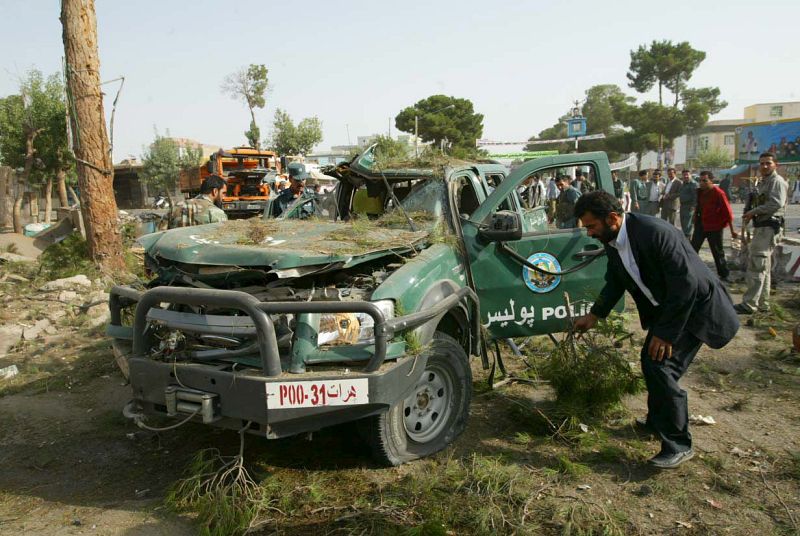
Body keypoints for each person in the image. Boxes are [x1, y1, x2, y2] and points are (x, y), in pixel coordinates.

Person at [572, 191, 739, 469]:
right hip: (671, 309)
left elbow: (686, 285)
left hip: (694, 309)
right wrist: (594, 314)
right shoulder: (614, 240)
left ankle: (678, 445)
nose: (589, 233)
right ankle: (656, 422)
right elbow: (615, 280)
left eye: (592, 226)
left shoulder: (654, 233)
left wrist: (665, 334)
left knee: (661, 366)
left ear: (612, 217)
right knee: (651, 362)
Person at [735, 152, 789, 314]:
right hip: (762, 227)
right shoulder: (765, 182)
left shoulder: (777, 182)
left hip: (768, 227)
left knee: (756, 266)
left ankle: (749, 304)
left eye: (768, 163)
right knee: (762, 268)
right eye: (762, 163)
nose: (764, 166)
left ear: (775, 165)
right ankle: (762, 304)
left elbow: (775, 203)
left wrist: (753, 212)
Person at [692, 171, 737, 281]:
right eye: (700, 181)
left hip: (714, 227)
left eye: (704, 181)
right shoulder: (700, 192)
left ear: (711, 181)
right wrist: (695, 216)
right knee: (693, 248)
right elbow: (698, 206)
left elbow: (728, 213)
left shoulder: (718, 193)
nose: (702, 183)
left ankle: (724, 274)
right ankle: (691, 269)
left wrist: (732, 231)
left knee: (717, 251)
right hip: (701, 225)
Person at [678, 170, 698, 239]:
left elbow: (695, 196)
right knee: (683, 224)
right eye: (684, 175)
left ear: (690, 175)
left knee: (687, 226)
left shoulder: (693, 184)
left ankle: (687, 242)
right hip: (683, 206)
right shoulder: (683, 183)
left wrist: (693, 207)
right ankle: (685, 241)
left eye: (687, 174)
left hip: (689, 207)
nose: (685, 176)